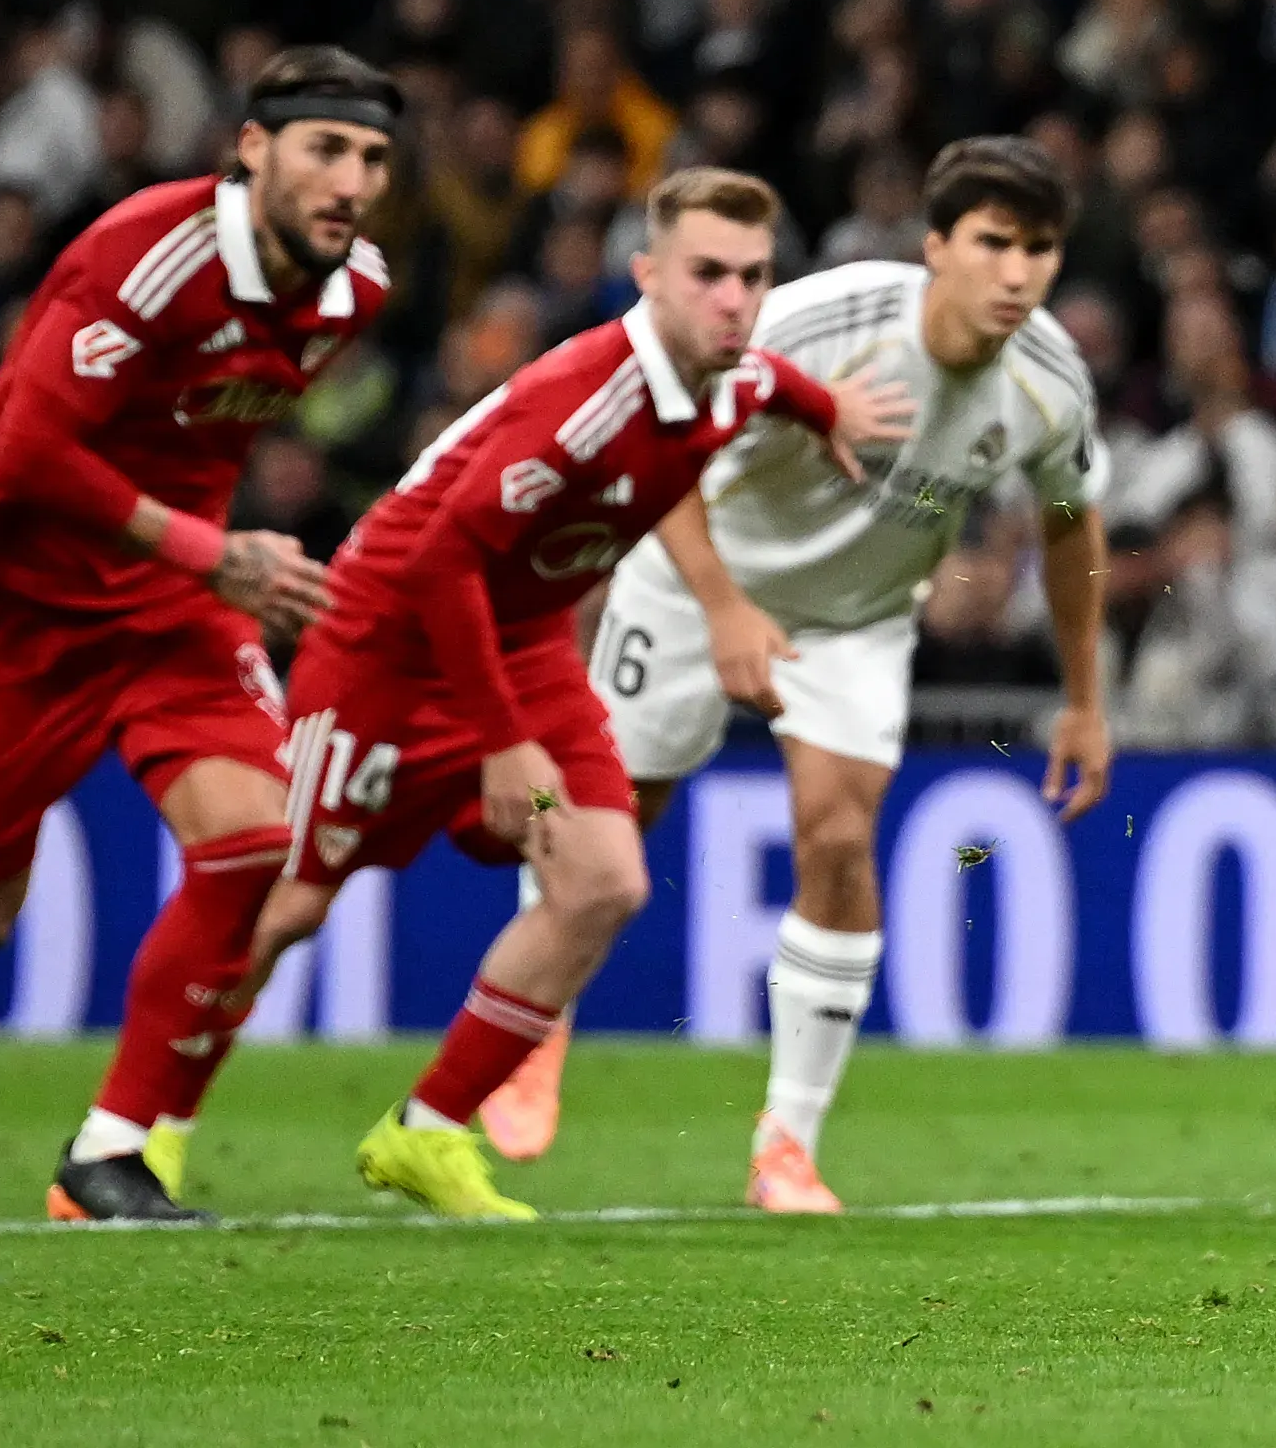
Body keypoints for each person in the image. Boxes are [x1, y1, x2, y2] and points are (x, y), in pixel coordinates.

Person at [0, 48, 405, 1224]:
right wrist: (214, 551)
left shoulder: (352, 288)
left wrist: (206, 560)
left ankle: (107, 1154)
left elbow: (196, 434)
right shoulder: (148, 256)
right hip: (6, 614)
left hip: (168, 609)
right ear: (254, 150)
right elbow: (19, 454)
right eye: (326, 148)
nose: (352, 180)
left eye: (372, 157)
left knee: (257, 842)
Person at [210, 168, 905, 1219]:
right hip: (389, 649)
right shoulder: (587, 403)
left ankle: (428, 1131)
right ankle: (136, 1127)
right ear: (649, 278)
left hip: (520, 649)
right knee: (293, 900)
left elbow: (772, 383)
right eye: (708, 274)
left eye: (753, 278)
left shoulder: (735, 378)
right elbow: (442, 566)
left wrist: (832, 409)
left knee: (600, 875)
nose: (733, 299)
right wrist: (502, 744)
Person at [543, 135, 1116, 1212]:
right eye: (993, 243)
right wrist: (722, 608)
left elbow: (1071, 526)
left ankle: (786, 1148)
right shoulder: (822, 320)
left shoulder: (1049, 381)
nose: (1017, 274)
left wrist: (1086, 703)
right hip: (693, 574)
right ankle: (534, 1018)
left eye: (1039, 250)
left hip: (853, 621)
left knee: (841, 835)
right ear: (936, 246)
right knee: (614, 821)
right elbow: (661, 444)